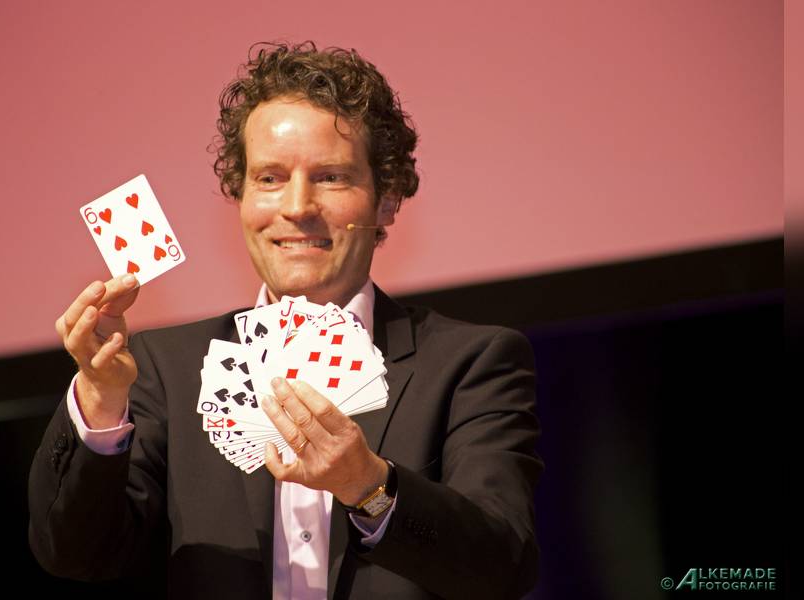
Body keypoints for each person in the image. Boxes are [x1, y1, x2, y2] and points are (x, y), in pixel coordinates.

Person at [29, 41, 543, 599]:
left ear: (387, 200)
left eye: (331, 177)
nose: (297, 207)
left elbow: (503, 566)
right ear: (241, 197)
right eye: (270, 178)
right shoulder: (166, 369)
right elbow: (75, 554)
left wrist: (369, 487)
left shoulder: (471, 364)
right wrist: (102, 399)